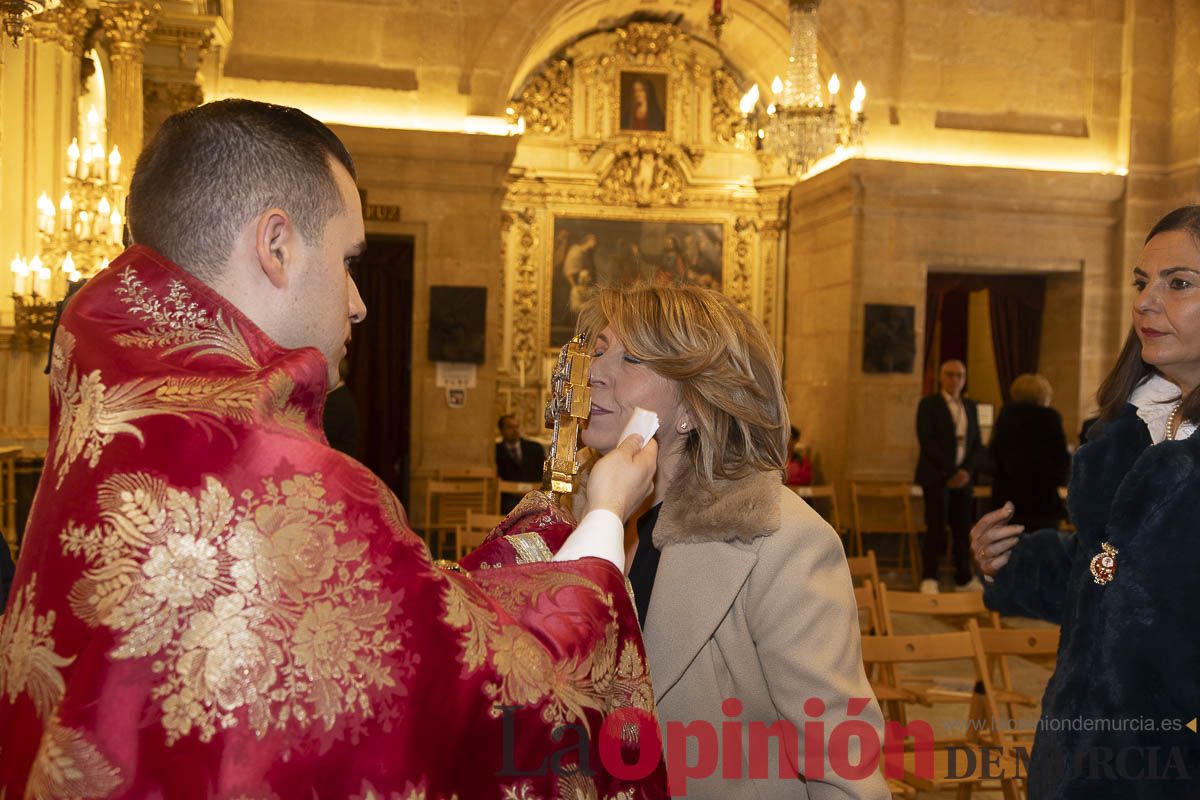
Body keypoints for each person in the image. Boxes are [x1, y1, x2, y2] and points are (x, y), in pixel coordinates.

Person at [0, 100, 668, 798]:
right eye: (349, 261)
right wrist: (604, 520)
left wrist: (539, 535)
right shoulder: (282, 475)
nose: (358, 302)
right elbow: (512, 696)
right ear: (277, 246)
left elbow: (407, 617)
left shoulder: (121, 417)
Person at [576, 284, 888, 799]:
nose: (594, 370)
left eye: (632, 357)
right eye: (600, 348)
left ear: (693, 406)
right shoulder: (575, 520)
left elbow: (842, 767)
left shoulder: (783, 543)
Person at [972, 206, 1200, 799]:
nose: (1147, 301)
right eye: (1141, 281)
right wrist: (1013, 563)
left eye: (1178, 283)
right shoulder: (1122, 430)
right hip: (1077, 756)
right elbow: (1104, 572)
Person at [914, 359, 983, 593]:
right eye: (950, 375)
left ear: (965, 379)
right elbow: (927, 442)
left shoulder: (971, 406)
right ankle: (929, 577)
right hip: (936, 477)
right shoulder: (929, 405)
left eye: (960, 375)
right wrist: (951, 473)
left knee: (963, 528)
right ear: (941, 378)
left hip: (963, 479)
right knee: (936, 526)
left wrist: (966, 472)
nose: (955, 380)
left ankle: (963, 577)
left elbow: (976, 444)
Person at [988, 373, 1069, 531]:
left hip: (1008, 496)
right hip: (1041, 497)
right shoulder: (1050, 418)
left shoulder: (1006, 416)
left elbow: (995, 454)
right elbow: (1061, 459)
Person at [495, 413, 546, 512]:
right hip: (508, 497)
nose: (515, 430)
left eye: (517, 426)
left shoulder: (535, 448)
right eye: (510, 427)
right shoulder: (496, 451)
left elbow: (543, 473)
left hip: (533, 495)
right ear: (501, 430)